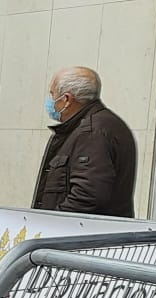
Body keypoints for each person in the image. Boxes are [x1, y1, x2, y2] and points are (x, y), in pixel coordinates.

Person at [34, 67, 136, 216]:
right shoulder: (94, 126)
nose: (50, 100)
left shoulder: (92, 132)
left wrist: (52, 225)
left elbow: (88, 195)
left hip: (76, 233)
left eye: (52, 94)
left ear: (67, 99)